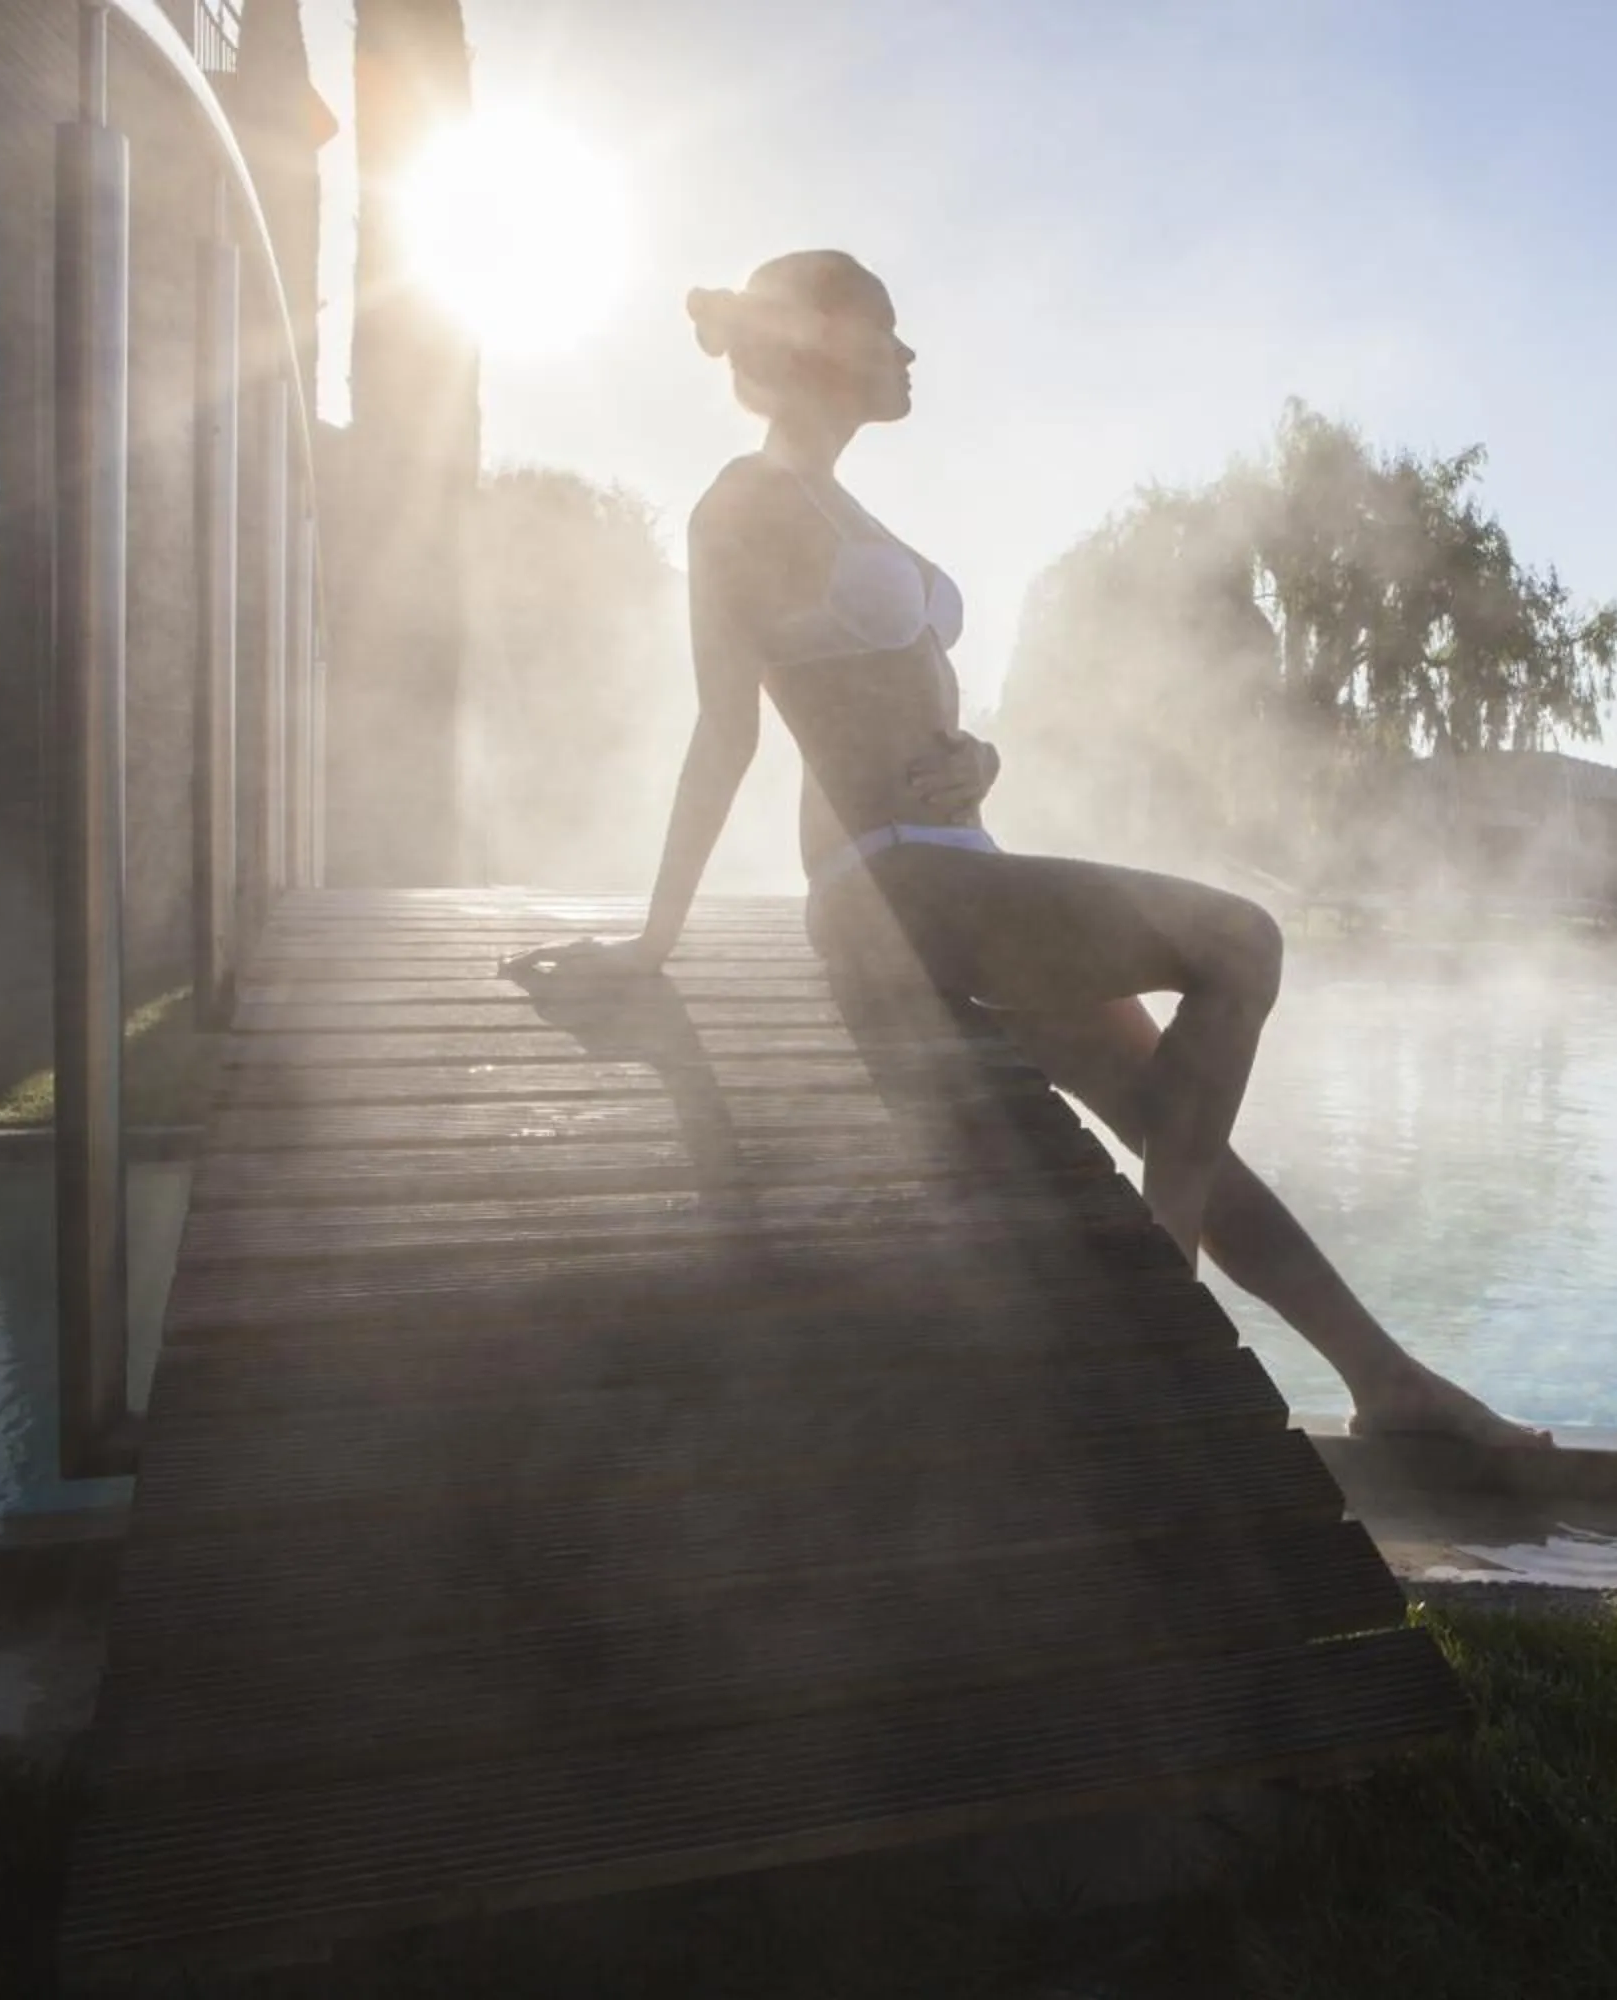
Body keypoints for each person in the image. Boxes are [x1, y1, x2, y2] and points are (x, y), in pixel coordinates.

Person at [557, 247, 1545, 1449]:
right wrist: (653, 941)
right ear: (823, 337)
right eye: (891, 331)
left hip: (959, 861)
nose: (913, 356)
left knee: (1174, 1114)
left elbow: (897, 697)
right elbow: (727, 729)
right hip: (889, 888)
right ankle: (1157, 1321)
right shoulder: (744, 502)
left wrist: (981, 760)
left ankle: (1386, 1380)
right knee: (1241, 942)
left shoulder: (852, 509)